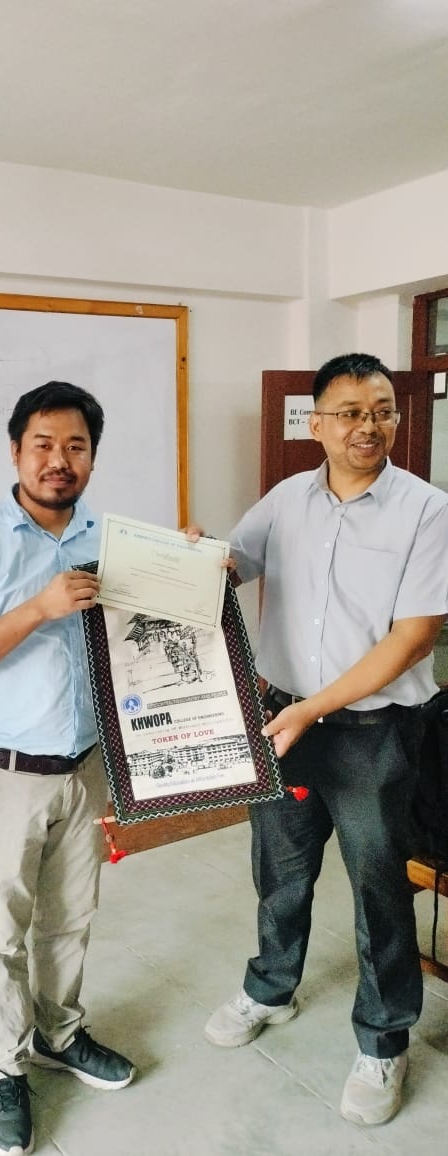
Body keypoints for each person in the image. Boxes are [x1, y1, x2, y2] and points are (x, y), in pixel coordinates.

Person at [203, 353, 448, 1126]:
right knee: (278, 868)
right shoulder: (285, 500)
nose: (366, 426)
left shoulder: (426, 511)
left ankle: (382, 1039)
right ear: (315, 424)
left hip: (375, 734)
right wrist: (190, 558)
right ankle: (269, 988)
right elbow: (230, 566)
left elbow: (412, 638)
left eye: (381, 411)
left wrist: (313, 709)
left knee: (378, 886)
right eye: (348, 412)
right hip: (283, 720)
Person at [0, 382, 135, 1156]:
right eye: (43, 444)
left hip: (85, 767)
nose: (59, 460)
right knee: (0, 934)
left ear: (92, 458)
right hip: (5, 774)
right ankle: (3, 1067)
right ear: (15, 451)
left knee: (71, 919)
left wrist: (185, 566)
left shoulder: (111, 540)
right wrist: (37, 609)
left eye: (75, 446)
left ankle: (60, 1034)